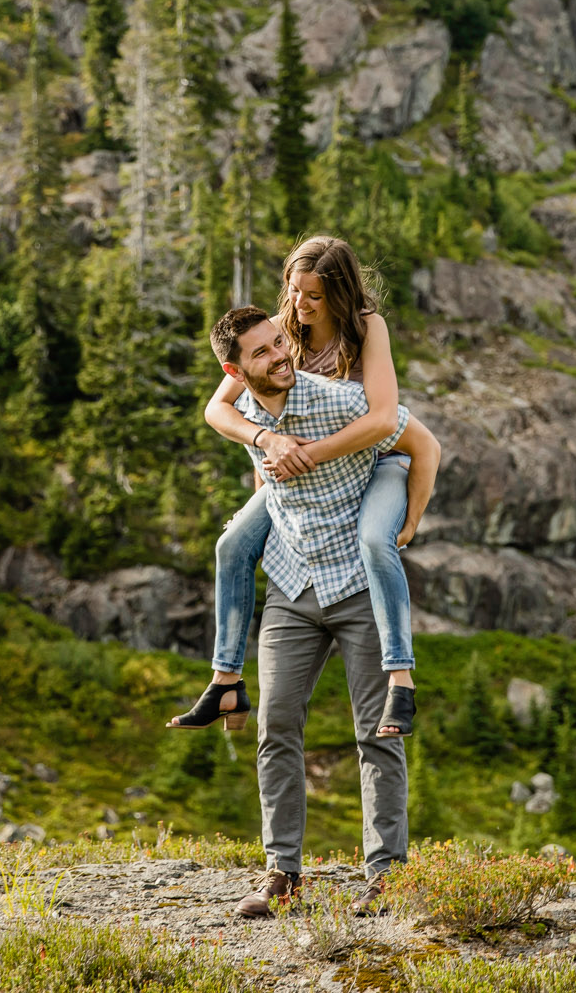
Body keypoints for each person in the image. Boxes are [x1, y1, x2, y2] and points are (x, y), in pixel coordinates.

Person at [199, 304, 441, 918]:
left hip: (358, 584)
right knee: (275, 727)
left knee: (377, 733)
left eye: (281, 343)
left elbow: (419, 442)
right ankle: (283, 873)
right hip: (290, 586)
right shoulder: (244, 417)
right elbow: (220, 418)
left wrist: (408, 521)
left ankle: (388, 876)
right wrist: (262, 441)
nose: (280, 355)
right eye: (262, 352)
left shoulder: (340, 401)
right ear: (236, 369)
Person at [170, 236, 428, 739]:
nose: (299, 305)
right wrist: (267, 439)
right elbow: (217, 408)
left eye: (313, 295)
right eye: (293, 290)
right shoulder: (280, 330)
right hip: (296, 475)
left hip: (372, 464)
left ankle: (402, 678)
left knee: (376, 540)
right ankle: (226, 680)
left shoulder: (367, 329)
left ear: (340, 293)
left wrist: (305, 455)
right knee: (232, 545)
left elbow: (382, 422)